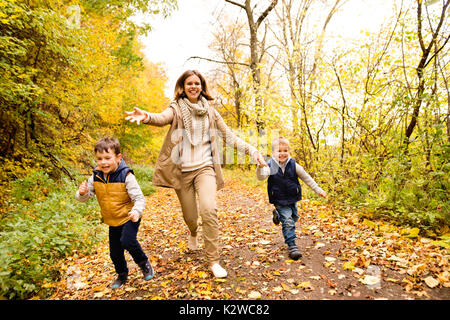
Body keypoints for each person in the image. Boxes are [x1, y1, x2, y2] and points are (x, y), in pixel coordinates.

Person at [125, 70, 267, 278]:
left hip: (205, 169)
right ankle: (193, 232)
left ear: (202, 86)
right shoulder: (176, 108)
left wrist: (253, 151)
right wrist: (146, 117)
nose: (193, 86)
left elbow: (230, 137)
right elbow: (162, 118)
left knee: (209, 210)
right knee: (191, 217)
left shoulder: (210, 111)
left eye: (197, 83)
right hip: (182, 173)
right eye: (189, 83)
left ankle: (213, 261)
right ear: (183, 87)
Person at [75, 137, 154, 289]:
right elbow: (84, 197)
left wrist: (136, 212)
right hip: (112, 220)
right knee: (115, 252)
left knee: (127, 241)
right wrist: (82, 193)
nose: (103, 162)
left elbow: (139, 198)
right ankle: (122, 274)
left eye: (107, 158)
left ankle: (144, 263)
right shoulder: (95, 177)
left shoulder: (126, 176)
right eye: (99, 159)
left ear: (118, 158)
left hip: (129, 216)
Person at [256, 137, 327, 260]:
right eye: (279, 151)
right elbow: (261, 177)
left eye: (285, 150)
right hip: (278, 199)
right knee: (288, 221)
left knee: (293, 218)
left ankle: (278, 216)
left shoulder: (294, 165)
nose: (282, 153)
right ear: (273, 153)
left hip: (292, 197)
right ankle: (292, 245)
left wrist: (318, 190)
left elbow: (307, 178)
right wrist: (260, 167)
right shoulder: (270, 165)